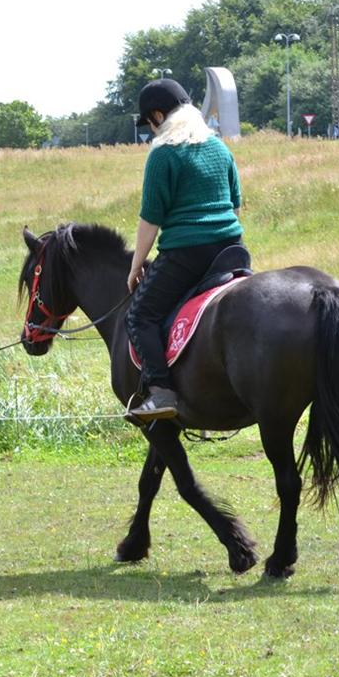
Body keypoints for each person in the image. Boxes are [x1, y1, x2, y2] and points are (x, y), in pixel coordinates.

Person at [126, 78, 244, 421]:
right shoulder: (220, 148)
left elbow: (151, 219)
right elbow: (235, 205)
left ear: (158, 115)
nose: (150, 130)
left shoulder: (163, 154)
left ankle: (161, 392)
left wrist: (135, 267)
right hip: (232, 250)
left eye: (149, 123)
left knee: (140, 315)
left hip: (187, 254)